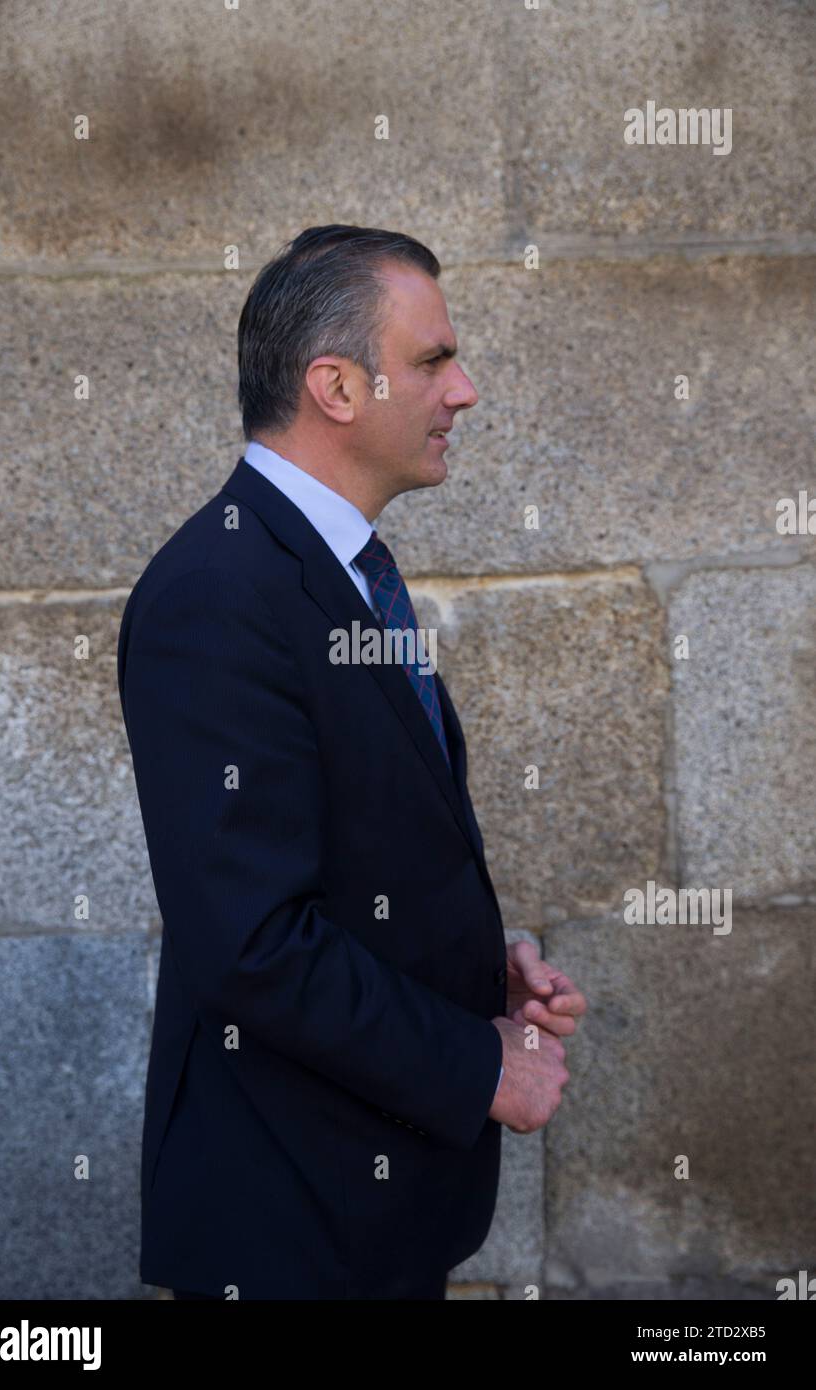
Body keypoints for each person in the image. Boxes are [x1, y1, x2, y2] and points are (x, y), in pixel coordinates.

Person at [116, 224, 587, 1301]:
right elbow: (249, 943)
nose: (463, 390)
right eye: (432, 360)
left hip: (364, 1211)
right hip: (290, 1222)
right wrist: (478, 1063)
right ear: (334, 384)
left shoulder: (338, 568)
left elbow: (341, 851)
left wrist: (472, 958)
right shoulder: (218, 595)